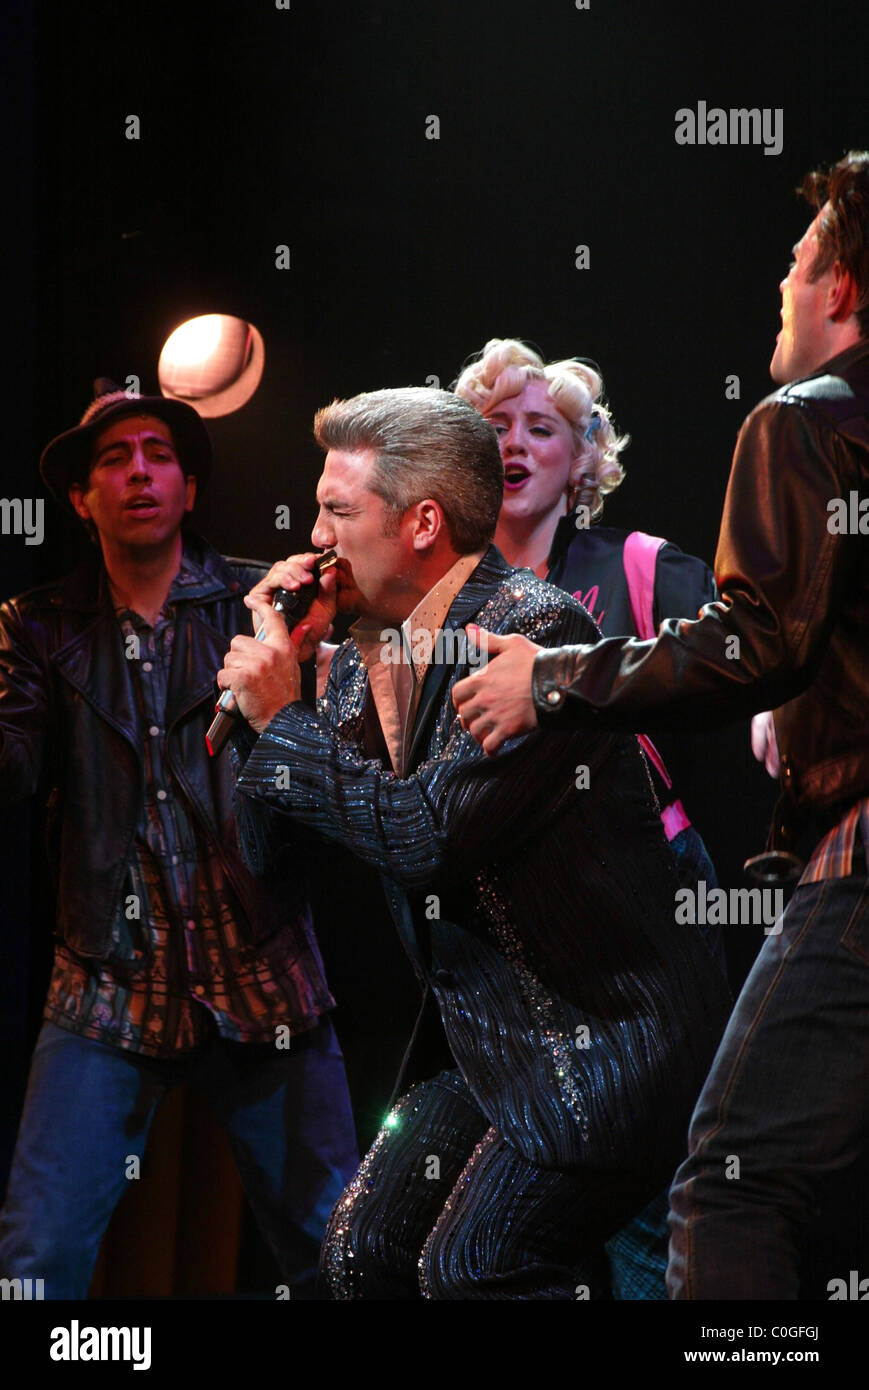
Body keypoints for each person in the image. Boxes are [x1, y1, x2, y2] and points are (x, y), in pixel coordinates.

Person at [451, 151, 869, 1299]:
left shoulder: (797, 423)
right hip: (498, 959)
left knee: (722, 1188)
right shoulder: (435, 597)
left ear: (838, 287)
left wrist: (550, 679)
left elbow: (751, 636)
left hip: (701, 913)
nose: (778, 284)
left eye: (794, 264)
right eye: (495, 424)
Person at [217, 384, 731, 1299]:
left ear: (420, 523)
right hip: (491, 1043)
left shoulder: (531, 628)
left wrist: (285, 720)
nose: (316, 537)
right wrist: (275, 700)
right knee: (359, 1259)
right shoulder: (363, 654)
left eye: (338, 510)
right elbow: (271, 861)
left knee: (474, 1269)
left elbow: (421, 836)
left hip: (603, 1039)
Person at [0, 380, 358, 1299]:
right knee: (37, 1262)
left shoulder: (258, 601)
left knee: (334, 1254)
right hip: (106, 984)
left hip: (263, 971)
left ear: (189, 487)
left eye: (159, 455)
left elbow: (333, 771)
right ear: (81, 499)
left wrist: (313, 649)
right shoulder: (39, 627)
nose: (139, 474)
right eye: (113, 461)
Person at [453, 338, 725, 1298]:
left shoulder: (640, 566)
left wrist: (780, 712)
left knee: (649, 1206)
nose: (517, 443)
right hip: (510, 931)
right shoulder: (440, 600)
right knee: (518, 1225)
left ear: (582, 460)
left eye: (543, 428)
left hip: (641, 904)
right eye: (495, 428)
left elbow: (748, 655)